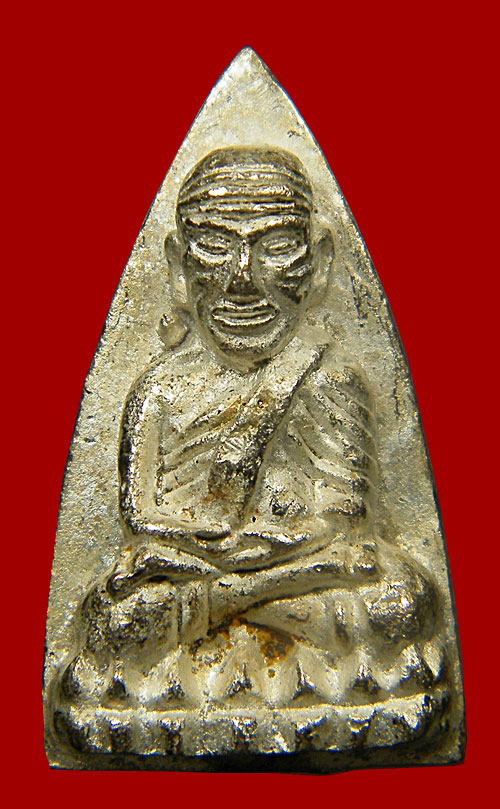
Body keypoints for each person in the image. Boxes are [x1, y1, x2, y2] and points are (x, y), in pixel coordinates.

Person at [58, 148, 440, 716]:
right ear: (178, 264)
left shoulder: (329, 379)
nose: (242, 281)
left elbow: (347, 523)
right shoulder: (158, 391)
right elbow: (140, 522)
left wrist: (261, 555)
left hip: (289, 575)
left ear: (321, 262)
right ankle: (287, 655)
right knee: (116, 618)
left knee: (400, 602)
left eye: (277, 247)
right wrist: (218, 548)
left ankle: (214, 635)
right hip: (230, 576)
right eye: (214, 246)